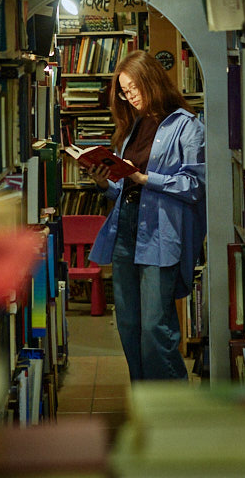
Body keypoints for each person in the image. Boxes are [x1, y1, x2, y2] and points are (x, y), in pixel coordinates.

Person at [85, 49, 206, 381]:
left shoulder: (187, 125)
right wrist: (105, 183)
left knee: (155, 326)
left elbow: (195, 185)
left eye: (134, 87)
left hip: (160, 232)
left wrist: (145, 178)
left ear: (151, 80)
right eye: (124, 91)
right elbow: (122, 187)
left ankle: (170, 402)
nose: (130, 96)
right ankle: (143, 395)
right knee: (128, 323)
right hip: (125, 226)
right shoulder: (133, 126)